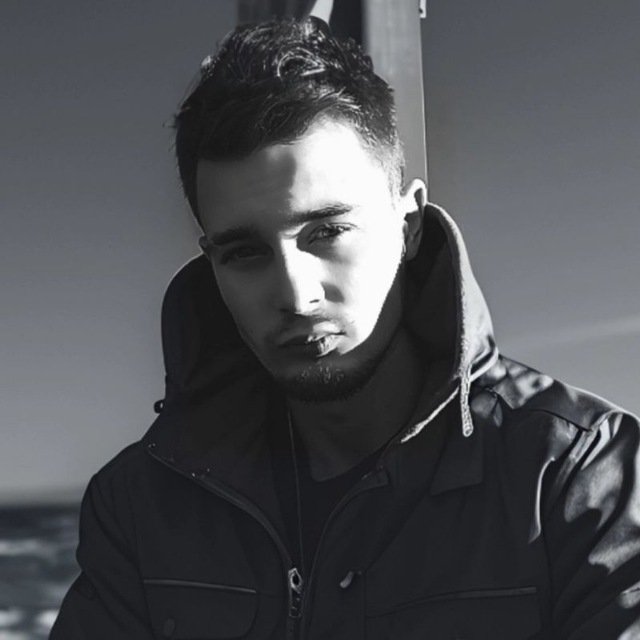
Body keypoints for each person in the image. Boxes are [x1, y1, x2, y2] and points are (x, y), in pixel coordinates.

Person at [51, 17, 640, 640]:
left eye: (327, 232)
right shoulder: (140, 505)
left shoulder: (579, 474)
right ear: (212, 263)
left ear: (408, 226)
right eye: (245, 253)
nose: (296, 295)